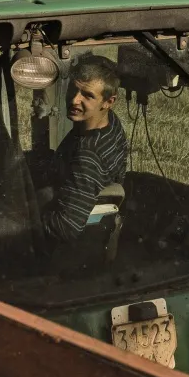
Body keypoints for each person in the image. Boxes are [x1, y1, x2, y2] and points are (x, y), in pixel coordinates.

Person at [41, 53, 129, 243]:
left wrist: (27, 218)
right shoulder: (109, 122)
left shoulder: (87, 155)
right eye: (73, 90)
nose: (74, 100)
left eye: (87, 96)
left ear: (109, 102)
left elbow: (66, 228)